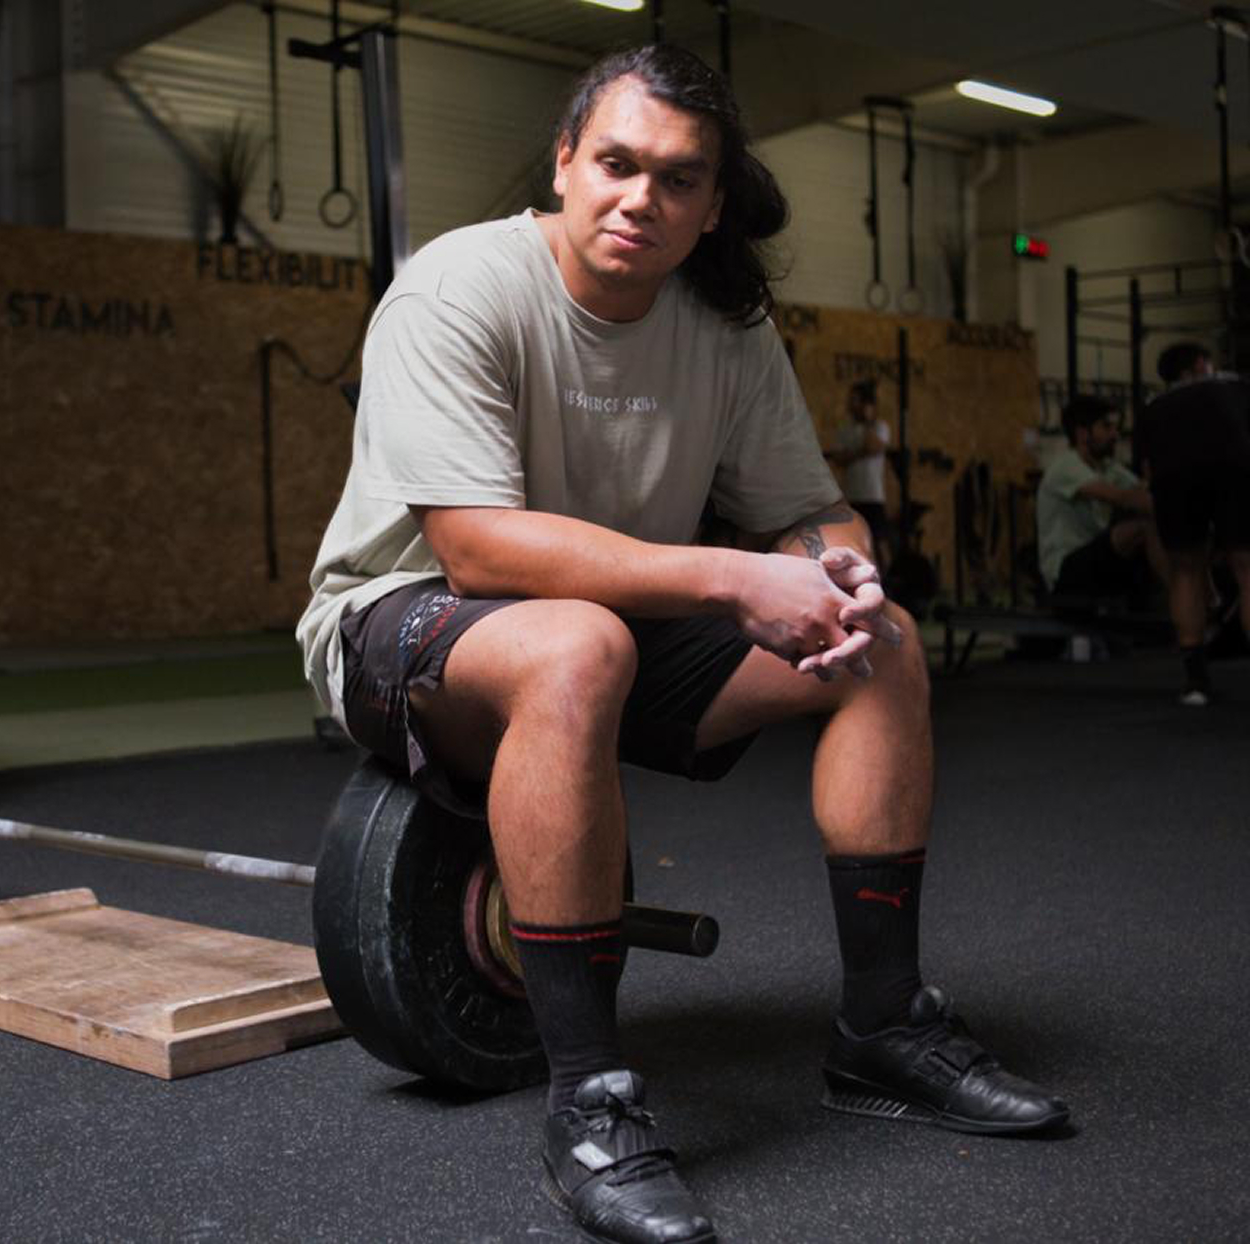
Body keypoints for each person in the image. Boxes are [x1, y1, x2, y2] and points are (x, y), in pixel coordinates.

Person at [296, 42, 1067, 1244]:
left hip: (619, 621)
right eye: (614, 163)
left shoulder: (724, 325)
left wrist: (836, 570)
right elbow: (474, 551)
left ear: (710, 206)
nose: (637, 199)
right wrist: (728, 577)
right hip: (395, 622)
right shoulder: (460, 287)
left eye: (675, 179)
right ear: (563, 162)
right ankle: (589, 1100)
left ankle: (881, 1027)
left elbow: (805, 512)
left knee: (886, 644)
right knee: (572, 647)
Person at [1134, 342, 1250, 705]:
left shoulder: (1153, 407)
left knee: (1185, 571)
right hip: (1234, 470)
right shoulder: (1234, 388)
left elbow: (1147, 472)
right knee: (1247, 568)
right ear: (1202, 364)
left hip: (1174, 479)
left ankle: (1195, 681)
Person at [1036, 395, 1164, 605]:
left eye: (1115, 427)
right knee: (1144, 528)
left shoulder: (1108, 468)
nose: (1115, 435)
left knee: (1154, 531)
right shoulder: (1066, 466)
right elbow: (1124, 498)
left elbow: (1143, 491)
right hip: (1065, 572)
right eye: (1106, 427)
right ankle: (1181, 595)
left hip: (1096, 564)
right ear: (1082, 433)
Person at [824, 379, 893, 562]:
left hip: (873, 496)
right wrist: (861, 452)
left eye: (855, 400)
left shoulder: (880, 427)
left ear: (866, 404)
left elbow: (874, 447)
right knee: (853, 542)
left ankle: (888, 584)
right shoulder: (845, 429)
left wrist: (868, 423)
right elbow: (839, 459)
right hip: (852, 496)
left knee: (879, 542)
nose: (850, 404)